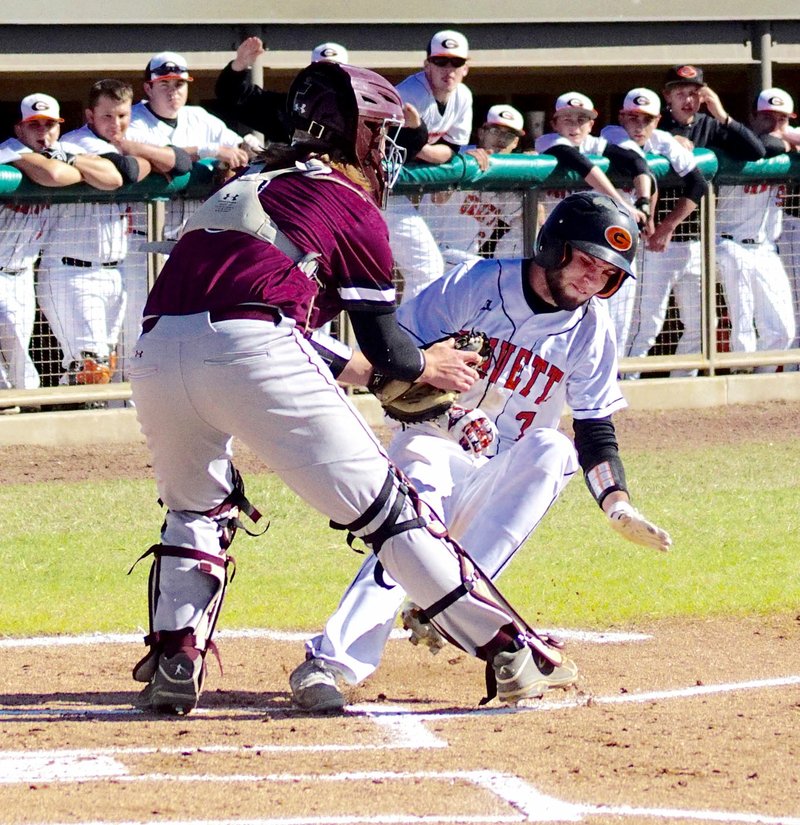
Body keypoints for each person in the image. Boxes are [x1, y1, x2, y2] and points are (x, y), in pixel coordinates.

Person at [127, 60, 573, 716]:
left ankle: (175, 655)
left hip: (156, 348)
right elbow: (384, 347)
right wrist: (427, 365)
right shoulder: (349, 203)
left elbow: (260, 313)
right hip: (255, 348)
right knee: (390, 512)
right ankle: (508, 648)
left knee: (195, 508)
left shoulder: (249, 180)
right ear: (357, 135)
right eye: (384, 137)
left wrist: (377, 370)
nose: (390, 153)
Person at [289, 192, 672, 712]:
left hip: (503, 468)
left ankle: (446, 604)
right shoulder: (473, 284)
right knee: (407, 531)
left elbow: (594, 427)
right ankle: (329, 663)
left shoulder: (590, 330)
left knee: (552, 448)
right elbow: (392, 362)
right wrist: (448, 413)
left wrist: (617, 503)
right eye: (585, 261)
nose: (592, 280)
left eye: (607, 274)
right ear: (554, 248)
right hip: (431, 444)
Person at [4, 92, 123, 389]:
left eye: (49, 125)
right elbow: (53, 175)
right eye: (34, 125)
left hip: (20, 276)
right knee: (14, 366)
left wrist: (72, 158)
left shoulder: (64, 150)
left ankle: (36, 427)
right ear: (19, 129)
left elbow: (114, 178)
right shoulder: (8, 152)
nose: (43, 133)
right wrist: (77, 169)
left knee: (20, 370)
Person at [38, 80, 152, 389]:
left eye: (123, 115)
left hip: (115, 273)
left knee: (106, 365)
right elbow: (122, 174)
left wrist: (138, 155)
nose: (116, 124)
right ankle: (65, 428)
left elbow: (177, 162)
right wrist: (140, 161)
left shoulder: (130, 139)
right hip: (71, 269)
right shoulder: (75, 144)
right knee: (89, 364)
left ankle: (78, 427)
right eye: (107, 116)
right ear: (90, 116)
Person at [655, 65, 766, 375]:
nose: (687, 100)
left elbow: (755, 152)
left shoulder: (709, 125)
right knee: (645, 323)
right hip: (654, 241)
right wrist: (667, 145)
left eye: (694, 93)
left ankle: (680, 382)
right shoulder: (655, 124)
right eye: (680, 93)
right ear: (668, 96)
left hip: (697, 240)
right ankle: (626, 380)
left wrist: (722, 115)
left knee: (702, 324)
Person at [600, 88, 708, 377]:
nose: (639, 125)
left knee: (639, 321)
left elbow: (699, 184)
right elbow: (640, 166)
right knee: (617, 319)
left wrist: (665, 226)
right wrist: (649, 215)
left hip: (634, 238)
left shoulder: (662, 140)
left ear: (658, 120)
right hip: (603, 239)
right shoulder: (611, 134)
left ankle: (626, 379)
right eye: (633, 117)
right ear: (622, 116)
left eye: (646, 119)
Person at [535, 92, 652, 354]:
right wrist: (622, 203)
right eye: (567, 119)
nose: (575, 126)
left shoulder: (594, 144)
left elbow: (637, 163)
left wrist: (644, 201)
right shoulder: (548, 141)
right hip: (556, 249)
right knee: (557, 318)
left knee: (614, 318)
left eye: (582, 119)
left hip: (597, 252)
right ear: (555, 123)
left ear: (591, 124)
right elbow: (581, 164)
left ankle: (613, 373)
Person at [387, 29, 474, 301]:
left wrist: (420, 146)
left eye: (456, 63)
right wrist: (424, 148)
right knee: (425, 267)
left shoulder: (463, 97)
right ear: (427, 65)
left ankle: (408, 339)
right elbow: (394, 147)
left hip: (394, 192)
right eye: (440, 62)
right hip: (376, 190)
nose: (448, 69)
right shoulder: (409, 94)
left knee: (425, 267)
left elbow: (451, 150)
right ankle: (411, 339)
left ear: (466, 68)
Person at [715, 88, 797, 368]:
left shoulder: (786, 136)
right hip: (727, 243)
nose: (774, 124)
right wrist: (787, 141)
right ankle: (739, 377)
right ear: (752, 116)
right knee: (743, 328)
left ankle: (758, 381)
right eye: (767, 117)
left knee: (784, 330)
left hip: (764, 248)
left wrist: (787, 136)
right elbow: (764, 146)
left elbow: (776, 140)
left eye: (782, 118)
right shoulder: (736, 140)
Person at [419, 104, 527, 266]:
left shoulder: (508, 174)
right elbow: (438, 198)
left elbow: (528, 220)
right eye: (495, 131)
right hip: (433, 250)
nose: (501, 140)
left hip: (465, 259)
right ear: (481, 132)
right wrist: (461, 167)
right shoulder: (458, 156)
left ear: (516, 143)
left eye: (509, 135)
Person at [213, 37, 349, 144]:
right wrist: (240, 64)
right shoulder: (288, 109)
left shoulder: (360, 109)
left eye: (334, 72)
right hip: (299, 177)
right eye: (319, 73)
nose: (326, 80)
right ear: (308, 75)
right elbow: (232, 96)